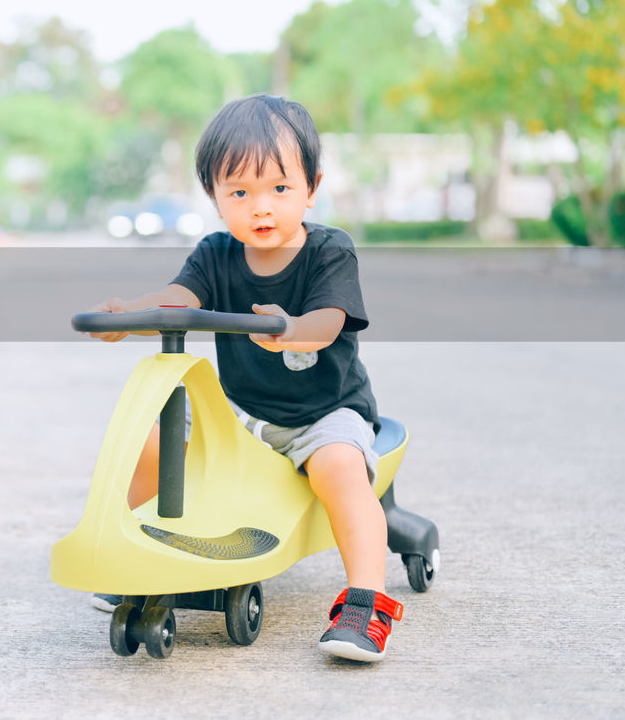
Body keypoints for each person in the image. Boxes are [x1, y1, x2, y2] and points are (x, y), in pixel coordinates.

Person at [85, 94, 402, 663]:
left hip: (322, 413)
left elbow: (329, 322)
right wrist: (131, 314)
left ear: (312, 186)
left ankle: (366, 604)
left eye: (279, 189)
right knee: (158, 441)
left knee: (339, 469)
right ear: (214, 198)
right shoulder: (214, 254)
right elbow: (178, 299)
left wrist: (293, 328)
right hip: (244, 414)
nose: (261, 207)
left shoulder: (330, 250)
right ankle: (131, 555)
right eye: (239, 192)